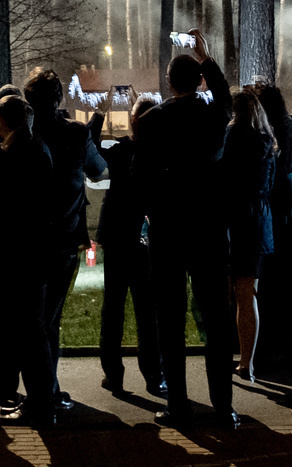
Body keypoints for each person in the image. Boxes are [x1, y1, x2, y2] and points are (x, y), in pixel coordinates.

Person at [134, 32, 238, 426]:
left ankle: (178, 404)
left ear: (168, 82)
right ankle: (224, 406)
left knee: (171, 318)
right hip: (209, 226)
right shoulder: (212, 116)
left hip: (168, 228)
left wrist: (152, 212)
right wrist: (206, 57)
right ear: (199, 83)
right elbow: (226, 97)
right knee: (216, 316)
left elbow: (139, 177)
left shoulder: (152, 121)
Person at [23, 70, 108, 413]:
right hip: (65, 237)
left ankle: (42, 390)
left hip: (29, 238)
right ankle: (47, 391)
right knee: (49, 318)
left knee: (35, 318)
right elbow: (99, 170)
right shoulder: (75, 132)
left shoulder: (25, 133)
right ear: (58, 97)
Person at [0, 93, 56, 419]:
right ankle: (37, 397)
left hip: (18, 252)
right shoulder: (36, 147)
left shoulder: (16, 153)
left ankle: (38, 402)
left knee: (27, 329)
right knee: (31, 327)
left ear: (4, 120)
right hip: (34, 251)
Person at [95, 120, 165, 397]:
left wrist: (99, 116)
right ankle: (154, 375)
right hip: (144, 235)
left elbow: (91, 143)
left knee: (113, 308)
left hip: (115, 234)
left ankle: (114, 375)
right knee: (147, 311)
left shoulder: (120, 149)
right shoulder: (159, 152)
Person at [251, 81, 292, 377]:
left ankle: (264, 346)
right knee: (289, 274)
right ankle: (291, 345)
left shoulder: (259, 134)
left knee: (266, 275)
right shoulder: (291, 128)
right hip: (287, 198)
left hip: (266, 200)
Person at [222, 85, 277, 381]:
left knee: (225, 292)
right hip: (256, 220)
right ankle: (248, 362)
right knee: (247, 295)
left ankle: (225, 356)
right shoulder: (265, 141)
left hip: (231, 219)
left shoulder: (230, 137)